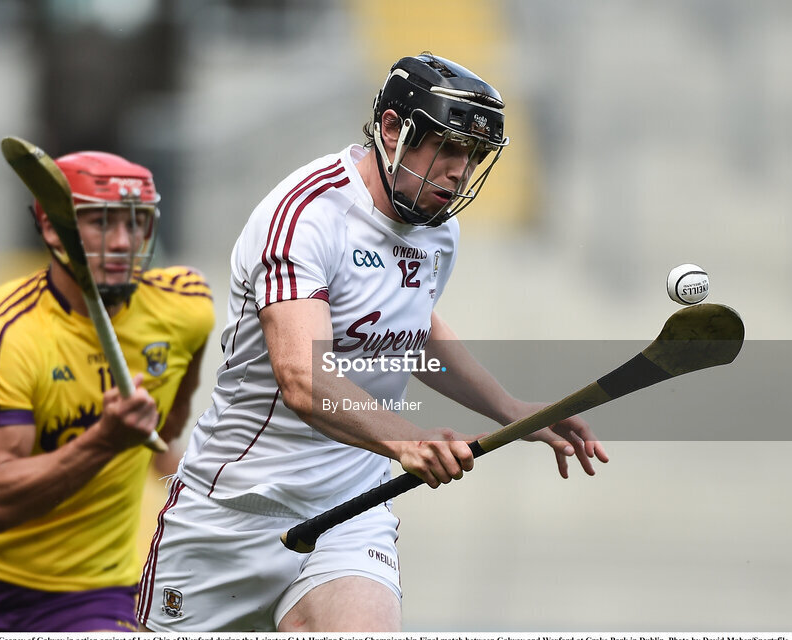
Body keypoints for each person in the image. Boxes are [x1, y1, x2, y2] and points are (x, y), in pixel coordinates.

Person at [137, 53, 609, 633]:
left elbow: (413, 329)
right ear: (392, 129)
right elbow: (301, 378)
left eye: (473, 157)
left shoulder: (438, 233)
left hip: (347, 515)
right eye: (448, 148)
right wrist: (406, 439)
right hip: (233, 512)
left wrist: (510, 409)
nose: (459, 173)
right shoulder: (306, 214)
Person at [0, 151, 214, 632]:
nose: (122, 243)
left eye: (137, 224)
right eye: (100, 224)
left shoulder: (187, 309)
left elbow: (166, 431)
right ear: (52, 230)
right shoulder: (9, 330)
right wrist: (103, 441)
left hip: (93, 592)